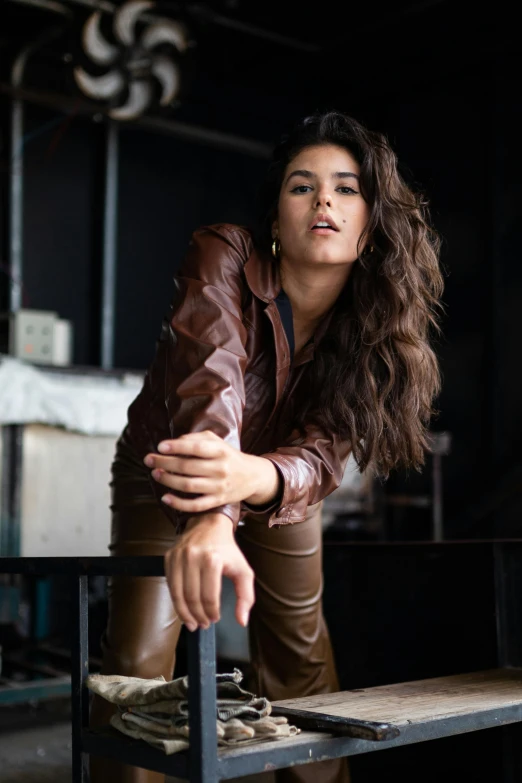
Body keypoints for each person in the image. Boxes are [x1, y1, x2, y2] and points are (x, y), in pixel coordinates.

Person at [90, 110, 443, 783]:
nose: (324, 202)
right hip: (169, 468)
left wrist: (251, 480)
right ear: (276, 217)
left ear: (371, 224)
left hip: (277, 486)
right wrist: (213, 517)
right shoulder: (223, 252)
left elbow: (321, 456)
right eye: (301, 186)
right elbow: (208, 382)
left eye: (346, 188)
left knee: (302, 658)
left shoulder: (375, 326)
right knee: (135, 669)